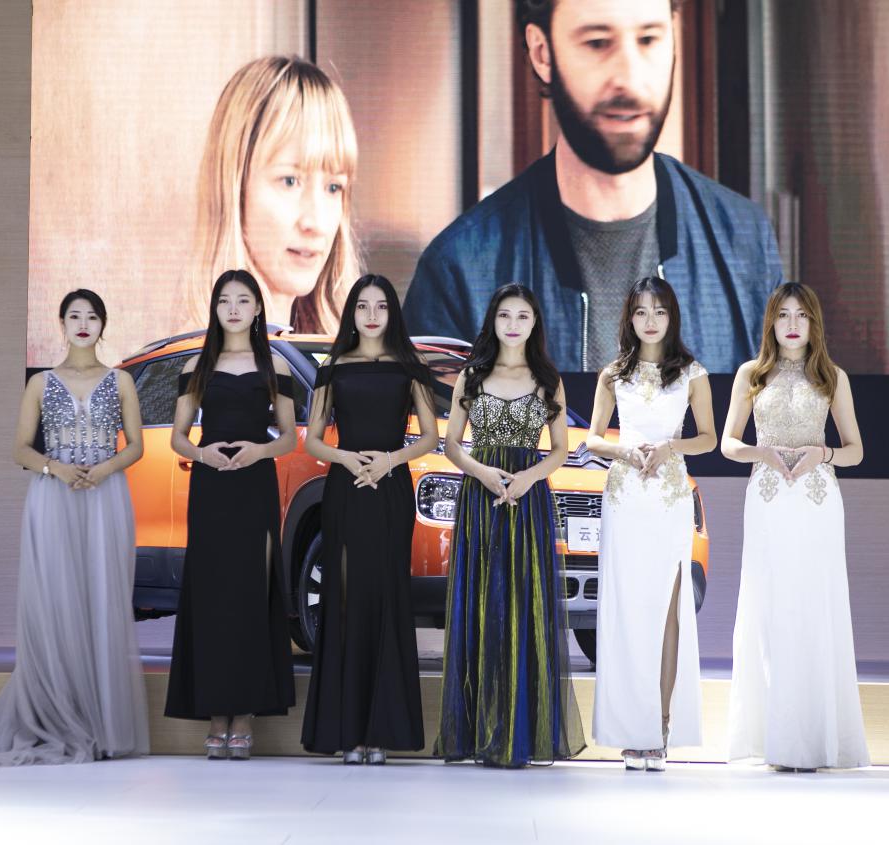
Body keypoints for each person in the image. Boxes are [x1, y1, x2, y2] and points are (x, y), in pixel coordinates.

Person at [404, 0, 783, 373]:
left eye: (648, 39)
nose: (630, 78)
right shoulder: (460, 272)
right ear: (542, 53)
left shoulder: (743, 242)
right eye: (598, 43)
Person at [0, 290, 149, 766]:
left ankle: (102, 727)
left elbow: (136, 446)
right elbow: (19, 449)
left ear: (103, 325)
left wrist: (102, 470)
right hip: (52, 498)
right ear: (61, 323)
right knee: (55, 603)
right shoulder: (40, 382)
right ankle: (57, 718)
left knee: (101, 600)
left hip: (106, 498)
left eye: (91, 316)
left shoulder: (121, 381)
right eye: (74, 315)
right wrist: (57, 468)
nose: (83, 323)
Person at [434, 283, 585, 768]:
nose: (513, 324)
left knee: (522, 607)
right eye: (505, 315)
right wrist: (483, 473)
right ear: (493, 321)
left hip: (527, 500)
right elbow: (452, 444)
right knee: (481, 604)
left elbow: (559, 450)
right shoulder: (472, 375)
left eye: (523, 316)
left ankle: (521, 732)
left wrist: (526, 479)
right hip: (481, 500)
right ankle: (479, 733)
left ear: (535, 322)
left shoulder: (547, 379)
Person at [721, 282, 870, 771]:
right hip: (767, 500)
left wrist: (821, 453)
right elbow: (727, 444)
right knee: (770, 608)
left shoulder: (832, 376)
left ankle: (813, 741)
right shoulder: (751, 373)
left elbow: (855, 450)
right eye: (783, 314)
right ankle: (775, 740)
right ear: (771, 321)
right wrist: (760, 452)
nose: (791, 324)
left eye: (801, 315)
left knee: (813, 608)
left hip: (816, 500)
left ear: (813, 323)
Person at [300, 274, 439, 765]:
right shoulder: (333, 367)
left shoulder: (411, 366)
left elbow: (429, 437)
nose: (373, 314)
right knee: (344, 602)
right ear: (352, 313)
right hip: (346, 490)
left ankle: (380, 733)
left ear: (392, 312)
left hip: (390, 490)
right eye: (363, 306)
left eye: (381, 306)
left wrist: (388, 461)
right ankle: (348, 732)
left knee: (386, 600)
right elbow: (313, 440)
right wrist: (347, 459)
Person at [164, 270, 298, 759]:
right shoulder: (197, 366)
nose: (234, 308)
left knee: (250, 597)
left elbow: (289, 437)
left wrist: (259, 451)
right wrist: (203, 455)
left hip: (254, 487)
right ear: (215, 308)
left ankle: (244, 717)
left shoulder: (274, 366)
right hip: (211, 488)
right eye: (225, 300)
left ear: (258, 308)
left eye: (244, 300)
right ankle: (215, 716)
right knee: (213, 599)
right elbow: (179, 437)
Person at [585, 277, 714, 770]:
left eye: (659, 311)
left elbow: (707, 438)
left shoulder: (692, 373)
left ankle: (660, 727)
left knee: (667, 612)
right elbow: (593, 439)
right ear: (629, 319)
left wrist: (669, 447)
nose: (650, 320)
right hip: (625, 497)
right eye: (641, 312)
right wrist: (624, 451)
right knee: (627, 612)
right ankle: (631, 730)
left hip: (669, 497)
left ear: (672, 316)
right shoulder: (613, 374)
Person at [182, 56, 360, 333]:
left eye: (333, 187)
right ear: (234, 188)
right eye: (290, 181)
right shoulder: (197, 358)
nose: (317, 223)